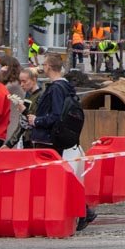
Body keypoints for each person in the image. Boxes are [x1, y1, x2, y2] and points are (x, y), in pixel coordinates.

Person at [27, 53, 97, 230]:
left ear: (49, 66)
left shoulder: (56, 88)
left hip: (48, 140)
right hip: (55, 139)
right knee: (57, 177)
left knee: (53, 179)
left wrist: (37, 121)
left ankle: (81, 211)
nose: (42, 67)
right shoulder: (65, 87)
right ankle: (80, 211)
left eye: (43, 64)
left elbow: (56, 115)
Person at [7, 67, 43, 148]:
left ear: (34, 80)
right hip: (27, 140)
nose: (22, 85)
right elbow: (22, 123)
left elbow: (37, 119)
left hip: (36, 141)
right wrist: (9, 144)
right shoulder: (28, 96)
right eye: (20, 82)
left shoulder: (41, 96)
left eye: (24, 81)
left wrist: (24, 111)